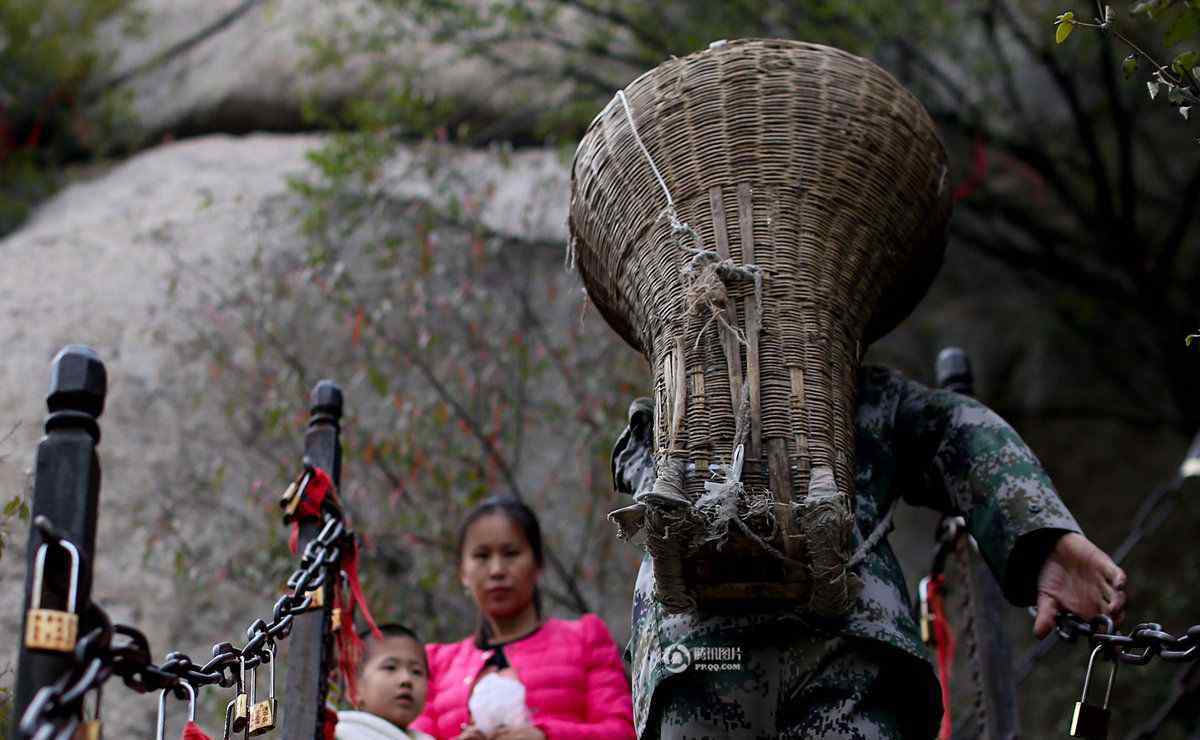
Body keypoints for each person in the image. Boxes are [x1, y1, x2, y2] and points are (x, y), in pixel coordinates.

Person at [615, 366, 1128, 739]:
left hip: (791, 657)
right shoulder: (677, 399)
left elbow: (957, 434)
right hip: (753, 655)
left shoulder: (860, 395)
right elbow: (956, 433)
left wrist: (1043, 539)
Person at [411, 497, 635, 740]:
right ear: (463, 572)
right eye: (482, 556)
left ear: (538, 564)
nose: (496, 569)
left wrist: (545, 736)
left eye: (511, 553)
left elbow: (623, 732)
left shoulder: (585, 640)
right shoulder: (435, 664)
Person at [337, 623, 436, 740]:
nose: (406, 679)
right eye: (390, 667)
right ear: (354, 688)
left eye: (416, 671)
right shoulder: (340, 732)